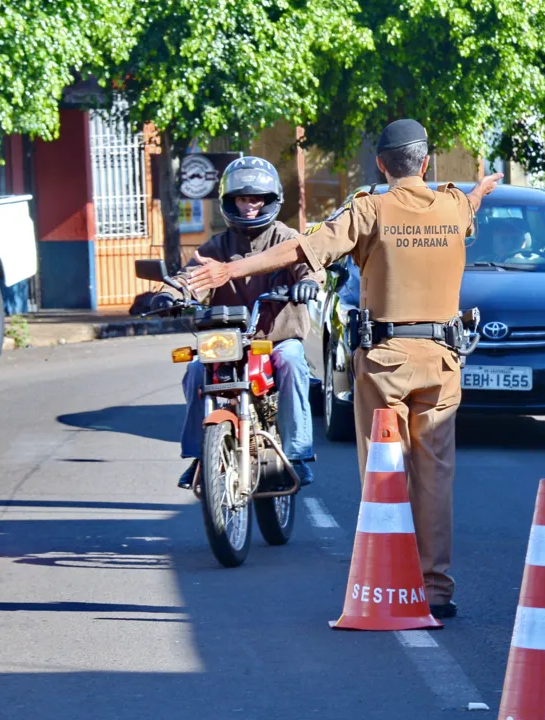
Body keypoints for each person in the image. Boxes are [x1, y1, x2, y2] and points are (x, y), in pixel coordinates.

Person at [185, 120, 502, 619]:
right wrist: (480, 188)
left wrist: (231, 269)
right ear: (425, 163)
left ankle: (388, 584)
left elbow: (301, 249)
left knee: (384, 473)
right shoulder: (452, 205)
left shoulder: (370, 209)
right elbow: (470, 206)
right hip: (443, 361)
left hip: (386, 362)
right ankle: (436, 588)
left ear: (381, 164)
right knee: (435, 477)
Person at [149, 156, 325, 491]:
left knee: (292, 362)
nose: (250, 205)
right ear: (230, 201)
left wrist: (309, 284)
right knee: (197, 370)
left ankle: (298, 454)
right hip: (226, 340)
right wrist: (169, 294)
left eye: (257, 198)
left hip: (276, 339)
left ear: (271, 200)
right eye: (243, 198)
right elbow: (190, 277)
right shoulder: (216, 246)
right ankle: (200, 456)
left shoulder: (287, 239)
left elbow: (310, 266)